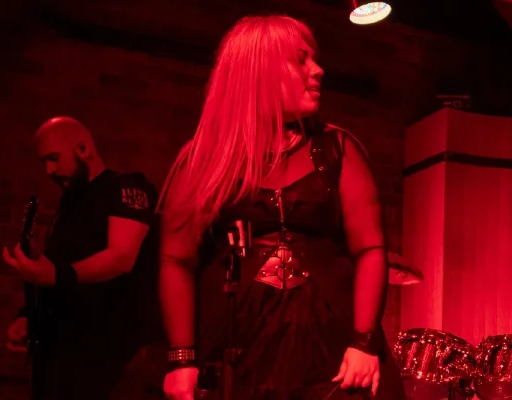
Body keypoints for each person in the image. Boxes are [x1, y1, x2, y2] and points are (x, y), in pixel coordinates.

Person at [156, 15, 405, 400]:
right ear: (259, 71)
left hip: (335, 351)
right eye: (301, 60)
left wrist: (364, 341)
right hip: (235, 352)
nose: (318, 70)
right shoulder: (205, 157)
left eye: (314, 59)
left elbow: (371, 249)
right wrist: (181, 358)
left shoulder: (338, 149)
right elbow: (177, 260)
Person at [3, 116, 161, 399]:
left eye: (54, 158)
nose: (49, 170)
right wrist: (27, 316)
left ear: (83, 149)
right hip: (62, 356)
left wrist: (57, 275)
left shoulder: (125, 186)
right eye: (43, 162)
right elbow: (57, 270)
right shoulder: (69, 205)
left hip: (107, 356)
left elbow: (121, 257)